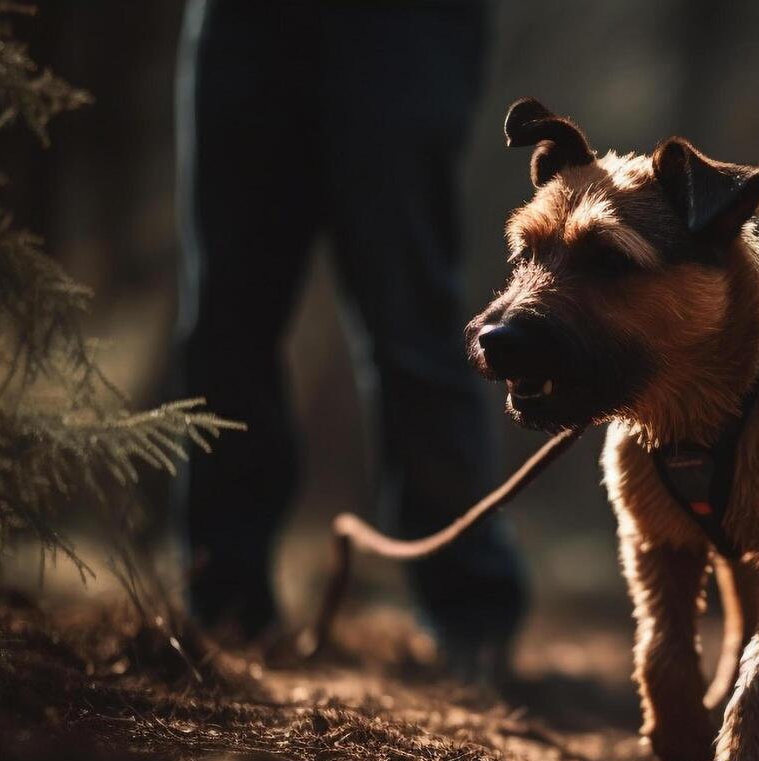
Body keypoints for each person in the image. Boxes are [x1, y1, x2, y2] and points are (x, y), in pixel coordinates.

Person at [174, 0, 524, 684]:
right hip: (245, 23)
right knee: (226, 322)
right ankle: (223, 603)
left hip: (402, 27)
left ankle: (470, 620)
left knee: (415, 326)